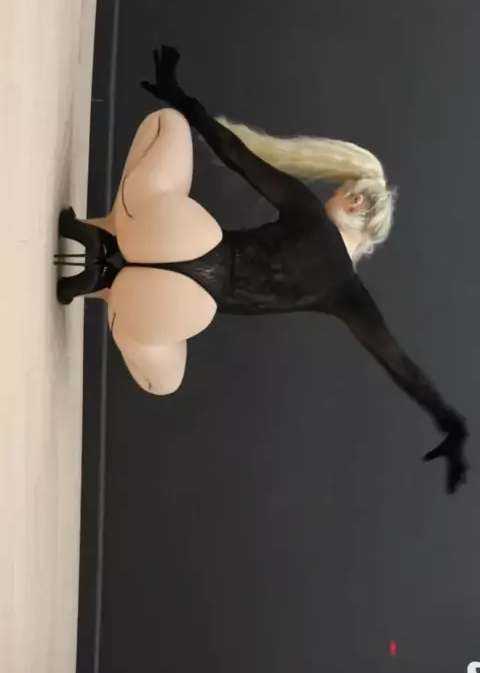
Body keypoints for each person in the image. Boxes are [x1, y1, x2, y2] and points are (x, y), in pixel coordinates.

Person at [57, 46, 469, 494]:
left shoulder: (308, 214)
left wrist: (179, 96)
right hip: (174, 307)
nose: (332, 194)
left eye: (339, 190)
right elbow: (399, 364)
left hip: (177, 232)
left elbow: (234, 153)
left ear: (354, 201)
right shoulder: (348, 296)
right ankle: (103, 283)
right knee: (164, 379)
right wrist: (451, 424)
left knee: (167, 126)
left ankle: (100, 235)